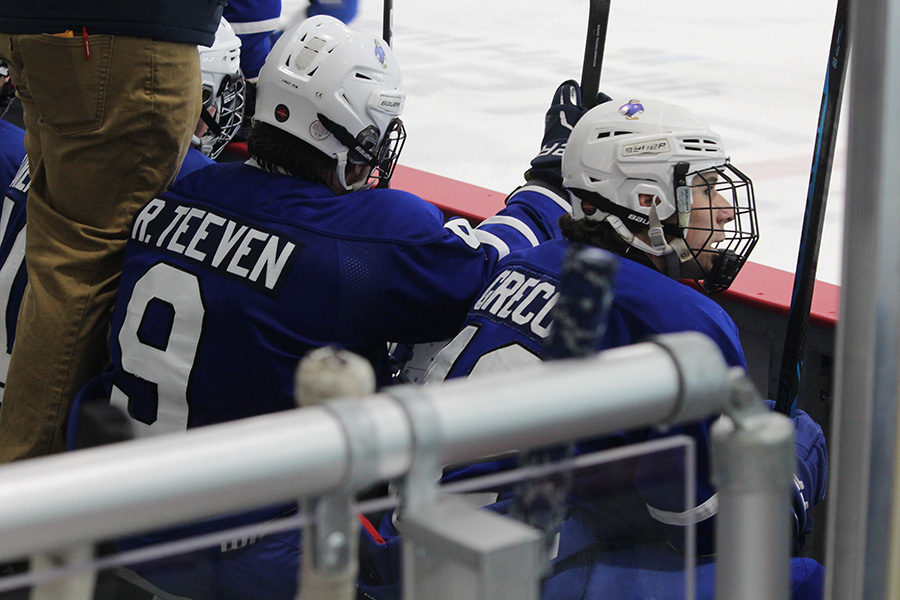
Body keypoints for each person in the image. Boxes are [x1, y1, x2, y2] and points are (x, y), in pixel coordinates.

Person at [69, 15, 568, 600]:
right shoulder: (369, 236)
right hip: (244, 549)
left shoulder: (180, 185)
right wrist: (544, 188)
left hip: (105, 512)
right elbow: (488, 271)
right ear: (350, 138)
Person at [418, 86, 828, 600]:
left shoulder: (531, 259)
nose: (723, 208)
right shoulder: (680, 317)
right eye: (703, 188)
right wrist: (784, 484)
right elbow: (700, 529)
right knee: (798, 464)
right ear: (648, 200)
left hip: (420, 541)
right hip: (513, 574)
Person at [0, 1, 227, 462]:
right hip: (121, 39)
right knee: (77, 273)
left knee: (59, 258)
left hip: (45, 29)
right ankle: (25, 498)